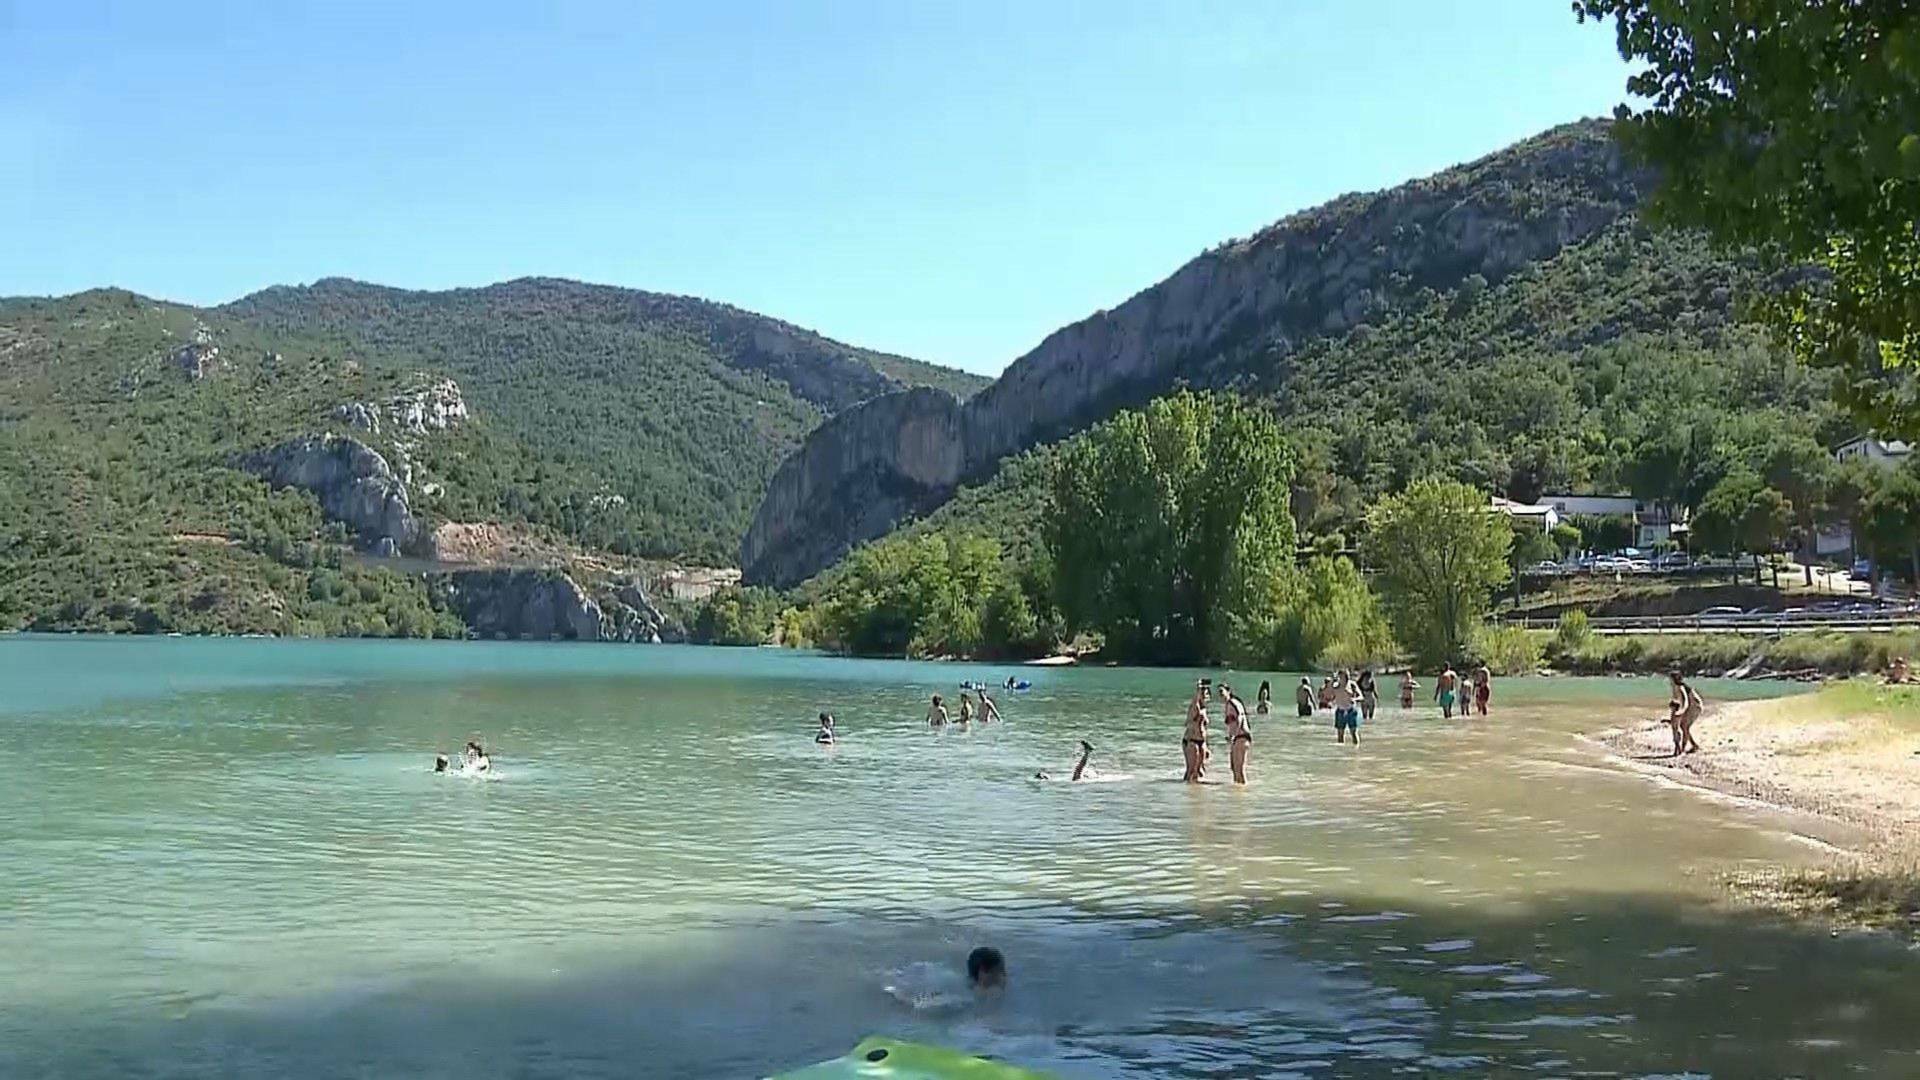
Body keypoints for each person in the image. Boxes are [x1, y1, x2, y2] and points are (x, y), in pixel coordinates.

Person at [1222, 685, 1253, 784]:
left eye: (1221, 692)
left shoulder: (1232, 703)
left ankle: (1243, 792)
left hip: (1241, 736)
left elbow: (1240, 717)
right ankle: (1237, 793)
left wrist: (1234, 734)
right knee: (1234, 768)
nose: (1220, 695)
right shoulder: (1228, 704)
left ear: (1228, 691)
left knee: (1239, 769)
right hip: (1237, 738)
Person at [1670, 672, 1703, 755]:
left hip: (1695, 706)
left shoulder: (1680, 688)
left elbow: (1685, 702)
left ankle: (1683, 749)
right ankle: (1694, 745)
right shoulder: (1676, 687)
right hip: (1691, 706)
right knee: (1684, 726)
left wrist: (1681, 711)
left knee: (1684, 726)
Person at [1183, 681, 1210, 783]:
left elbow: (1204, 728)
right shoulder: (1195, 706)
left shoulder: (1204, 709)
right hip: (1191, 740)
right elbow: (1195, 701)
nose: (1207, 696)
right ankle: (1188, 791)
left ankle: (1196, 793)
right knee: (1191, 771)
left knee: (1200, 771)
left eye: (1207, 693)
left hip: (1201, 741)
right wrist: (1198, 689)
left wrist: (1206, 746)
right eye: (1205, 694)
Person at [1333, 670, 1360, 744]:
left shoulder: (1352, 684)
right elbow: (1331, 694)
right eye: (1340, 676)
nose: (1341, 678)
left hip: (1351, 710)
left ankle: (1356, 750)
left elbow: (1361, 696)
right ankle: (1341, 752)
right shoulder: (1335, 685)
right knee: (1340, 735)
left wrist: (1354, 699)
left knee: (1353, 733)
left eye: (1343, 676)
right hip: (1340, 711)